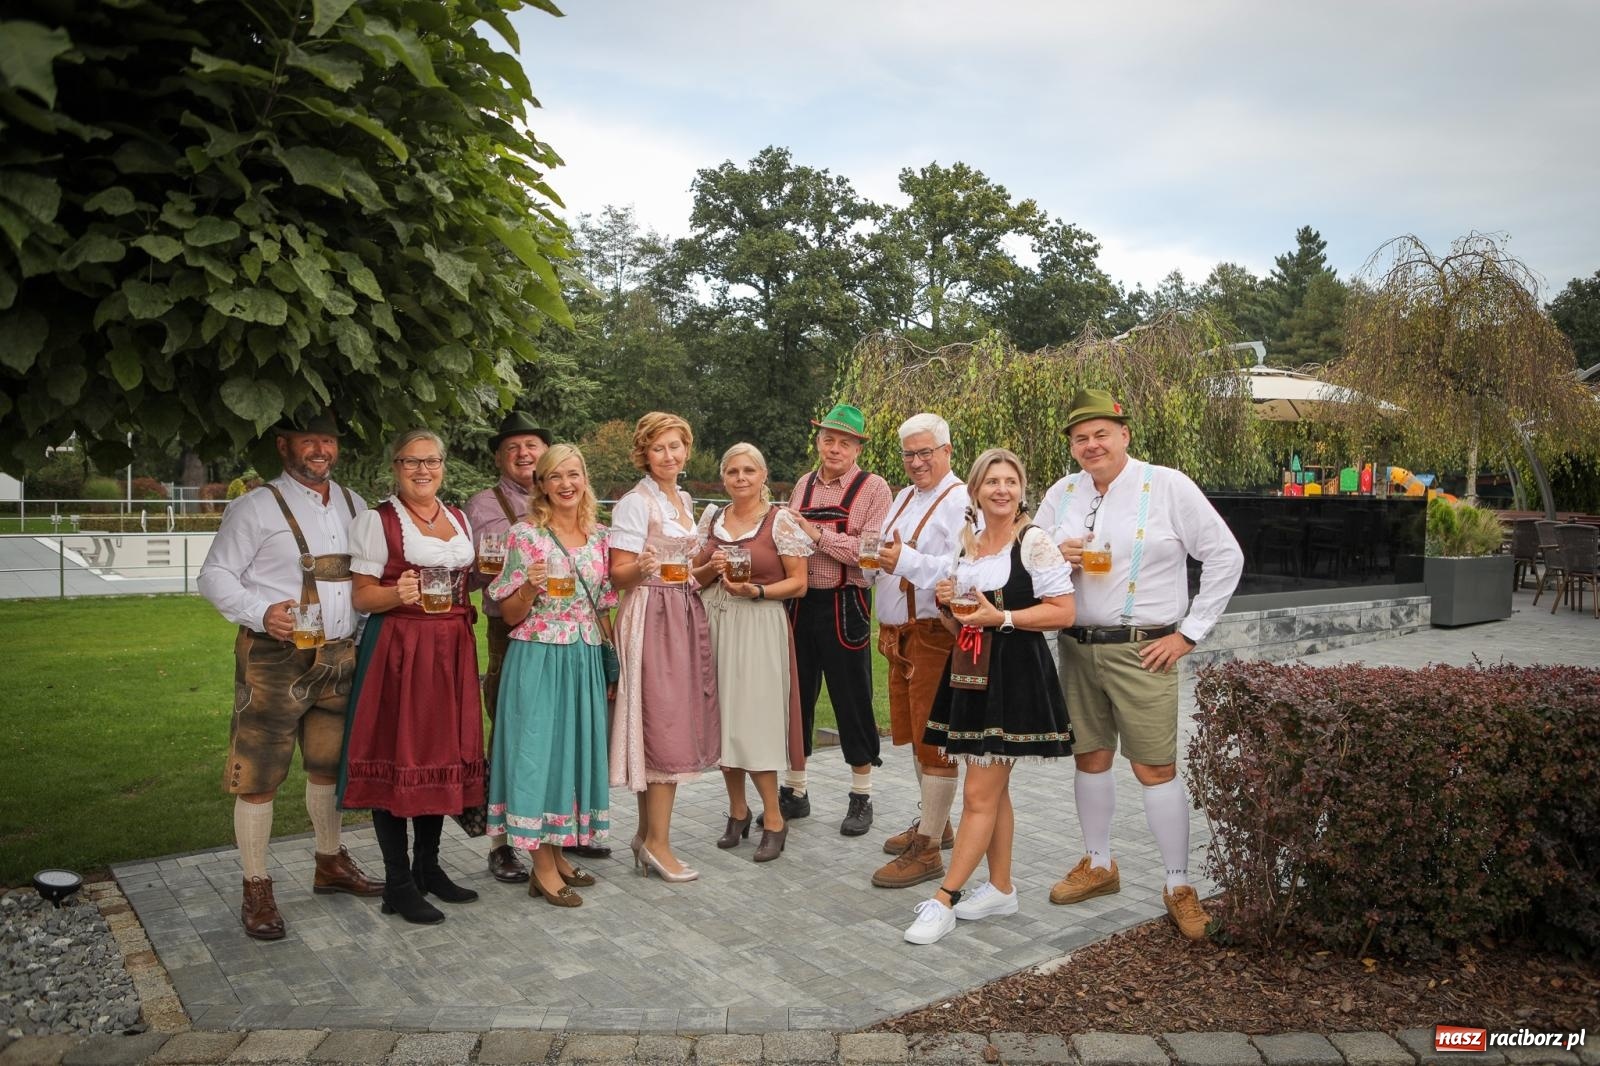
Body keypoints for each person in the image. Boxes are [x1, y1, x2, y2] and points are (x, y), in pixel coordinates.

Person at [1034, 389, 1243, 940]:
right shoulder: (1062, 492)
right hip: (1077, 646)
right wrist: (1056, 551)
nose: (1091, 444)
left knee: (1154, 766)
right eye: (1080, 438)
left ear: (1125, 435)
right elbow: (1029, 559)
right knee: (1091, 757)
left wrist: (1189, 635)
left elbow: (1226, 555)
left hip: (1144, 648)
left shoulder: (1168, 485)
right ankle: (1099, 865)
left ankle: (1178, 884)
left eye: (1101, 433)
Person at [197, 413, 383, 941]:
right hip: (275, 660)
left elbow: (363, 579)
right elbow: (213, 576)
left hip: (338, 658)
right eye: (309, 440)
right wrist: (261, 613)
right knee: (258, 778)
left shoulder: (355, 505)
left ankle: (329, 863)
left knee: (327, 768)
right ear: (284, 446)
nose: (320, 449)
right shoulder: (254, 506)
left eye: (328, 439)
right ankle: (256, 885)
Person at [904, 448, 1075, 945]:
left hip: (1015, 674)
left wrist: (1000, 618)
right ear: (975, 491)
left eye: (1011, 481)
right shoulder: (970, 544)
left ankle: (945, 899)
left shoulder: (1034, 542)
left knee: (978, 794)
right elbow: (962, 623)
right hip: (971, 672)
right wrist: (948, 612)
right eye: (992, 482)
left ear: (1023, 489)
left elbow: (1063, 611)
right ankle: (1001, 888)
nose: (1002, 490)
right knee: (993, 792)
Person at [342, 429, 487, 925]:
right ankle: (397, 882)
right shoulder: (377, 521)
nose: (422, 470)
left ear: (444, 465)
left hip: (453, 649)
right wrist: (396, 593)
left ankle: (428, 868)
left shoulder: (460, 518)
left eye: (431, 461)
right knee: (399, 752)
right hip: (402, 649)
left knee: (441, 753)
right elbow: (362, 597)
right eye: (411, 462)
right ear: (395, 467)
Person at [486, 445, 616, 907]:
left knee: (571, 754)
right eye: (555, 476)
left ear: (585, 479)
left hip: (581, 656)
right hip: (538, 653)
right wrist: (528, 586)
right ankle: (540, 866)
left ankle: (558, 853)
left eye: (574, 474)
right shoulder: (526, 536)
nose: (566, 484)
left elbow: (603, 605)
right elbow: (508, 612)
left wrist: (608, 660)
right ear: (540, 484)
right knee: (538, 755)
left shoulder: (600, 536)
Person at [608, 412, 720, 883]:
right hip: (651, 616)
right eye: (659, 448)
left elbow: (687, 565)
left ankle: (644, 837)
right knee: (662, 725)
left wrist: (710, 563)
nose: (669, 455)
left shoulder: (684, 498)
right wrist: (646, 567)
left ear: (687, 448)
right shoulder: (635, 504)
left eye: (676, 446)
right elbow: (618, 573)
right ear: (644, 454)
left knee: (663, 722)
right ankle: (658, 843)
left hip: (682, 610)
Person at [696, 443, 811, 863]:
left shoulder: (779, 521)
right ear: (723, 477)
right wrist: (712, 569)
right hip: (714, 621)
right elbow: (693, 571)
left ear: (764, 476)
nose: (741, 478)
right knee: (721, 720)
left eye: (749, 471)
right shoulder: (711, 518)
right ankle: (738, 812)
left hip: (759, 622)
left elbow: (799, 583)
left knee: (755, 720)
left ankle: (775, 818)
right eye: (732, 472)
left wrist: (756, 590)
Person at [783, 403, 892, 836]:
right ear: (818, 440)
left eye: (844, 442)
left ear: (858, 447)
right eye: (828, 439)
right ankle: (795, 790)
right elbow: (786, 539)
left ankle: (861, 795)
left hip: (846, 603)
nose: (834, 448)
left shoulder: (874, 488)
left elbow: (868, 553)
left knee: (852, 698)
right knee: (797, 696)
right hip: (800, 602)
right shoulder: (803, 484)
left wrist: (815, 535)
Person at [870, 413, 969, 890]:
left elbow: (961, 568)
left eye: (925, 452)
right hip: (899, 636)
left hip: (933, 633)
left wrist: (901, 559)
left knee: (935, 739)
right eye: (909, 453)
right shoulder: (904, 496)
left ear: (947, 451)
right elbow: (884, 553)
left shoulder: (962, 500)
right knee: (914, 732)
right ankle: (937, 823)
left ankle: (928, 849)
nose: (916, 462)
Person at [466, 412, 557, 884]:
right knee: (509, 732)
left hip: (563, 628)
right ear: (500, 457)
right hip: (510, 630)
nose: (524, 454)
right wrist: (497, 565)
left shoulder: (565, 494)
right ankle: (502, 845)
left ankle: (560, 832)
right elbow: (472, 573)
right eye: (513, 448)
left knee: (559, 733)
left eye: (532, 445)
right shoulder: (483, 503)